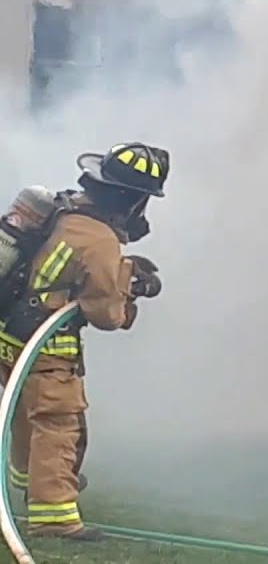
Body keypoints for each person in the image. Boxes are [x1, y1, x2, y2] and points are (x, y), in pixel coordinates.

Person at [0, 143, 168, 541]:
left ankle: (27, 479)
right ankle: (54, 517)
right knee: (58, 424)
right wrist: (132, 294)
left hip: (9, 334)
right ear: (131, 198)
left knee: (26, 413)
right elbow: (105, 312)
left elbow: (57, 270)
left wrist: (123, 271)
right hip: (45, 350)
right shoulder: (99, 238)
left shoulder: (63, 209)